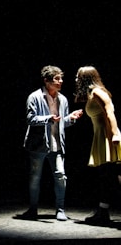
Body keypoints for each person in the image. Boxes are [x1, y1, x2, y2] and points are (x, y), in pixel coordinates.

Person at [21, 65, 83, 221]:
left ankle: (60, 209)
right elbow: (30, 119)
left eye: (61, 78)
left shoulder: (62, 99)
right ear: (46, 80)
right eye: (56, 78)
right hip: (38, 145)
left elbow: (62, 123)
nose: (60, 81)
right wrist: (48, 119)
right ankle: (33, 209)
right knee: (35, 177)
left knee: (61, 175)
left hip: (57, 144)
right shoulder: (34, 97)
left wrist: (72, 118)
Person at [74, 65, 121, 225]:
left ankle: (103, 212)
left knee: (110, 176)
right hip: (101, 137)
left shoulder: (97, 92)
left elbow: (110, 112)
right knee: (107, 176)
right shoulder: (91, 94)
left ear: (85, 78)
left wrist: (115, 134)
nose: (75, 79)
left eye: (78, 76)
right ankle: (103, 211)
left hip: (107, 137)